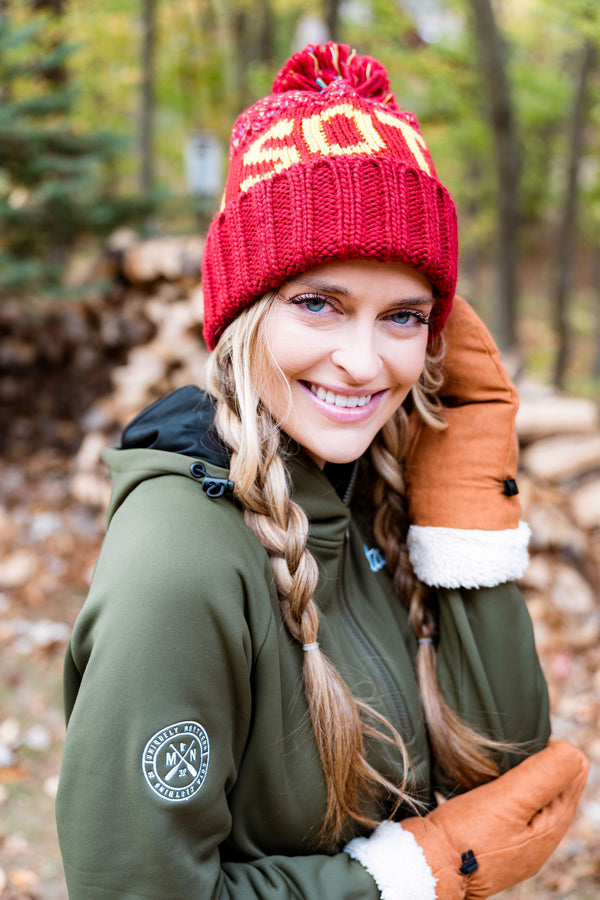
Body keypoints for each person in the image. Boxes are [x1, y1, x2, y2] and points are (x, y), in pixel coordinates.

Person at [56, 43, 588, 899]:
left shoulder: (379, 491)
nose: (363, 362)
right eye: (318, 303)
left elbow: (503, 770)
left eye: (403, 316)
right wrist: (405, 876)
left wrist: (464, 492)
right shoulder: (178, 564)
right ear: (242, 317)